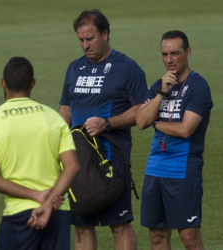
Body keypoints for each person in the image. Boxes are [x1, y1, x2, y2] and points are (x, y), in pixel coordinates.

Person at [59, 9, 148, 250]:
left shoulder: (128, 68)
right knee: (81, 225)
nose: (85, 45)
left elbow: (141, 111)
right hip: (77, 160)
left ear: (105, 34)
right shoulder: (74, 68)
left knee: (119, 224)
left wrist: (107, 123)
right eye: (81, 40)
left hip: (111, 158)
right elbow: (66, 109)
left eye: (90, 39)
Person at [0, 57, 80, 250]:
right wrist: (49, 202)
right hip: (58, 212)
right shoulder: (53, 118)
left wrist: (37, 196)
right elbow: (72, 166)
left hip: (19, 214)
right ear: (33, 83)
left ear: (3, 83)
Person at [135, 30, 213, 249]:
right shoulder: (157, 86)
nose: (169, 60)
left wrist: (157, 123)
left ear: (187, 52)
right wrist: (161, 93)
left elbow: (185, 129)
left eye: (175, 53)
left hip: (184, 169)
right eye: (164, 54)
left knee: (189, 238)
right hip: (155, 169)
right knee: (157, 236)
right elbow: (141, 122)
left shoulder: (198, 87)